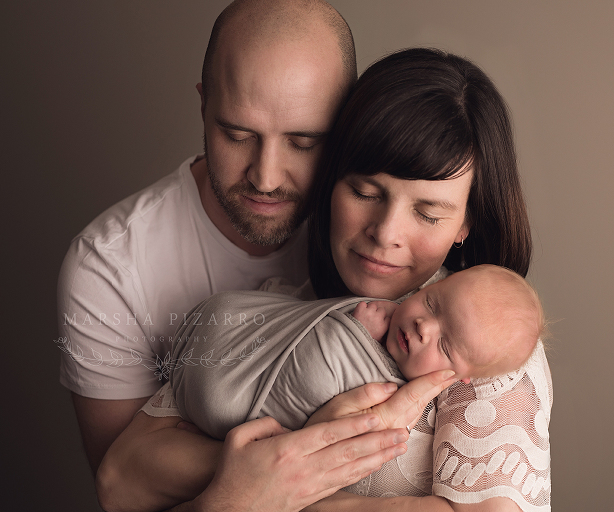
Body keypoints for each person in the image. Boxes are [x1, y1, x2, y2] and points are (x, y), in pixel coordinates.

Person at [99, 48, 552, 512]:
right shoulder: (289, 303)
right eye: (364, 191)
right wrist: (273, 469)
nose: (385, 234)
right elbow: (120, 477)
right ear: (329, 182)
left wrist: (287, 480)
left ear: (464, 225)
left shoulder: (485, 340)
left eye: (428, 213)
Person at [58, 1, 451, 509]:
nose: (266, 178)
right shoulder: (108, 267)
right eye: (237, 135)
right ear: (203, 106)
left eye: (304, 142)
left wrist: (271, 463)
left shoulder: (380, 243)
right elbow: (122, 489)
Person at [148, 265, 544, 441]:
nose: (424, 326)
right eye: (434, 304)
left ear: (460, 377)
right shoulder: (386, 306)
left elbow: (323, 393)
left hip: (225, 398)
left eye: (445, 345)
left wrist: (353, 332)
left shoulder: (402, 405)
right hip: (218, 336)